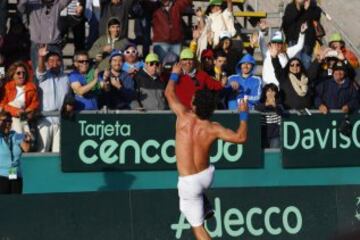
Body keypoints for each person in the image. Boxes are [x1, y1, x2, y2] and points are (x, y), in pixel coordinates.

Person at [165, 63, 248, 240]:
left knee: (198, 229)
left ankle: (202, 204)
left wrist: (174, 75)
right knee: (196, 193)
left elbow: (168, 93)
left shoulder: (183, 116)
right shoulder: (214, 128)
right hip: (206, 177)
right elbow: (241, 138)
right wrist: (243, 115)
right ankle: (204, 203)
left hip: (189, 183)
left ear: (193, 105)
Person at [17, 0, 73, 70]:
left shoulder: (57, 5)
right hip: (37, 45)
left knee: (58, 73)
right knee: (38, 74)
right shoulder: (32, 5)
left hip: (54, 45)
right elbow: (20, 7)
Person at [36, 46, 69, 152]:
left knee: (58, 154)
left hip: (60, 121)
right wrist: (41, 57)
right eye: (51, 60)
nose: (55, 63)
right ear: (46, 63)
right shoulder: (44, 76)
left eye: (57, 60)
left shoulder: (66, 77)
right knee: (42, 151)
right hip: (44, 120)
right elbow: (41, 70)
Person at [259, 20, 307, 87]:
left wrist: (302, 33)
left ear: (282, 44)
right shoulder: (266, 52)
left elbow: (299, 46)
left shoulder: (287, 53)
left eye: (279, 42)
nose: (276, 44)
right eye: (274, 42)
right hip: (267, 89)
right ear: (271, 43)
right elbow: (261, 41)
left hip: (281, 88)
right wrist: (262, 31)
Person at [0, 61, 39, 137]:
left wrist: (28, 111)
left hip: (24, 117)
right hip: (7, 118)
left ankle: (20, 137)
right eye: (18, 73)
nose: (22, 75)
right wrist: (16, 111)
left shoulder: (31, 87)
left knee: (19, 105)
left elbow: (35, 104)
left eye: (24, 73)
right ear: (13, 75)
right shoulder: (6, 87)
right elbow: (2, 105)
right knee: (16, 104)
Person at [270, 45, 312, 110]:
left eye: (297, 65)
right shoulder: (284, 78)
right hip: (289, 114)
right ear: (288, 67)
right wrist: (274, 57)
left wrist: (318, 60)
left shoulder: (306, 78)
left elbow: (314, 71)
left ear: (301, 66)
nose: (295, 67)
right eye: (292, 65)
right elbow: (277, 68)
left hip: (306, 114)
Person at [282, 0, 322, 69]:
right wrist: (298, 7)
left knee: (306, 65)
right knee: (295, 65)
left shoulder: (314, 7)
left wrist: (308, 8)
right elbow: (287, 22)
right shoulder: (290, 7)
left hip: (307, 43)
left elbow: (316, 17)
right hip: (294, 41)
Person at [0, 111, 31, 194]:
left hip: (14, 171)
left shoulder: (16, 135)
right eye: (5, 121)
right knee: (3, 202)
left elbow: (26, 148)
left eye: (10, 121)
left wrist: (27, 138)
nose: (8, 123)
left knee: (15, 201)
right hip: (1, 174)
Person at [255, 83, 283, 149]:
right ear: (265, 93)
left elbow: (281, 112)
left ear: (276, 93)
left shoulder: (279, 104)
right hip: (263, 135)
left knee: (274, 155)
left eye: (273, 91)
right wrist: (266, 104)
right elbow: (257, 109)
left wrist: (274, 105)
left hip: (275, 136)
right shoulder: (260, 104)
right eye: (268, 91)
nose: (270, 93)